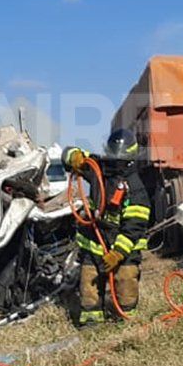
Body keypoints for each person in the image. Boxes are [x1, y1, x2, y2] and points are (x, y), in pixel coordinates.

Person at [62, 129, 152, 325]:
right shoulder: (99, 170)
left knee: (125, 280)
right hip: (94, 242)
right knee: (89, 282)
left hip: (124, 249)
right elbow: (69, 155)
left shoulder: (136, 190)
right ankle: (91, 320)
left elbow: (133, 228)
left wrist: (118, 253)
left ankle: (126, 318)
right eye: (113, 157)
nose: (115, 163)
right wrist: (74, 156)